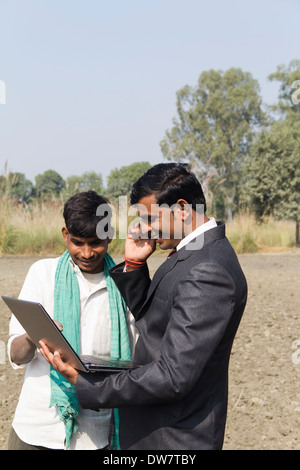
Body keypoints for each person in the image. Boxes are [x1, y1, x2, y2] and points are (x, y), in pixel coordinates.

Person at [40, 163, 248, 450]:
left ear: (183, 210)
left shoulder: (208, 269)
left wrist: (89, 384)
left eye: (150, 218)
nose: (145, 228)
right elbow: (154, 324)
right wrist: (135, 265)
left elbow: (173, 375)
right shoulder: (193, 254)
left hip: (173, 440)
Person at [7, 191, 137, 450]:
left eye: (95, 243)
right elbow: (16, 355)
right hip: (36, 429)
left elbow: (134, 363)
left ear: (109, 235)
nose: (87, 253)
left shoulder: (127, 283)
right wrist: (34, 336)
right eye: (77, 242)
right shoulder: (42, 273)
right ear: (65, 235)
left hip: (93, 435)